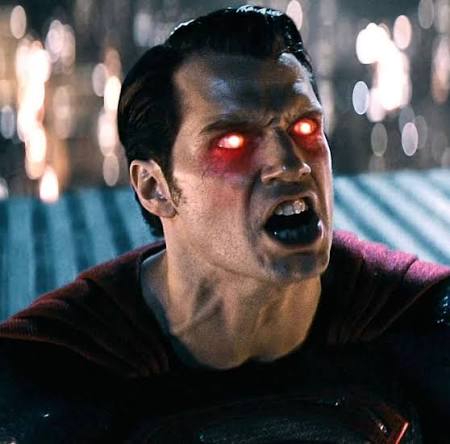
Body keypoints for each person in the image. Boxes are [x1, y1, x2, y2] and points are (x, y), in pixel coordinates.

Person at [1, 5, 449, 443]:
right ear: (155, 188)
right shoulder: (48, 372)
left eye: (305, 128)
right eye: (233, 141)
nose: (291, 164)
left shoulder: (423, 326)